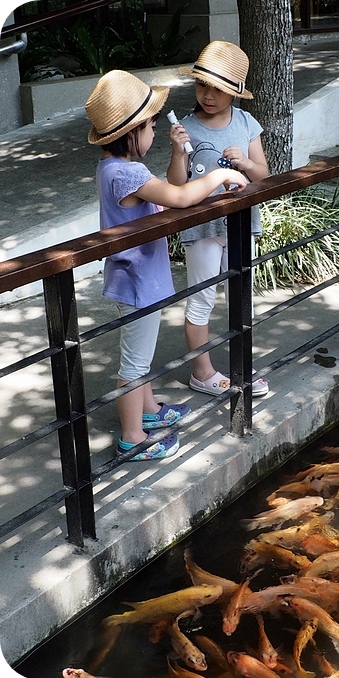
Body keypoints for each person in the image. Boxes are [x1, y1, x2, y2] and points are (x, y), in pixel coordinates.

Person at [85, 70, 248, 460]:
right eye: (152, 126)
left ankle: (150, 411)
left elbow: (158, 199)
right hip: (139, 280)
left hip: (138, 278)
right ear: (133, 130)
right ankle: (132, 438)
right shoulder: (128, 172)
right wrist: (222, 174)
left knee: (141, 356)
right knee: (134, 364)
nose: (155, 133)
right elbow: (180, 196)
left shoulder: (111, 169)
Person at [167, 41, 270, 398]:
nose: (208, 95)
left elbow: (263, 174)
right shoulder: (186, 126)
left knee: (241, 295)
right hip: (202, 227)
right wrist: (179, 152)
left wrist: (244, 163)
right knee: (202, 299)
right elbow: (177, 184)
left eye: (219, 88)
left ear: (235, 93)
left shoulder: (246, 122)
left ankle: (243, 361)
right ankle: (203, 371)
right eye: (202, 86)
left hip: (242, 224)